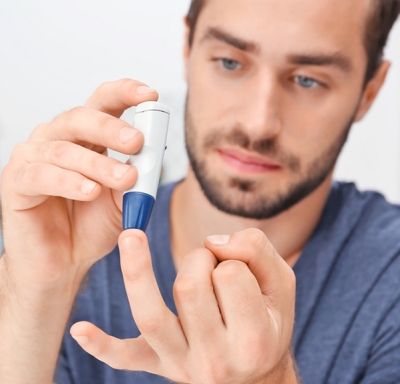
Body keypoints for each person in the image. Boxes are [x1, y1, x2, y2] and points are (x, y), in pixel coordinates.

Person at [1, 0, 400, 383]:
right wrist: (36, 294)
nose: (258, 123)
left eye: (308, 80)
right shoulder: (72, 237)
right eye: (230, 62)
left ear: (369, 90)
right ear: (188, 47)